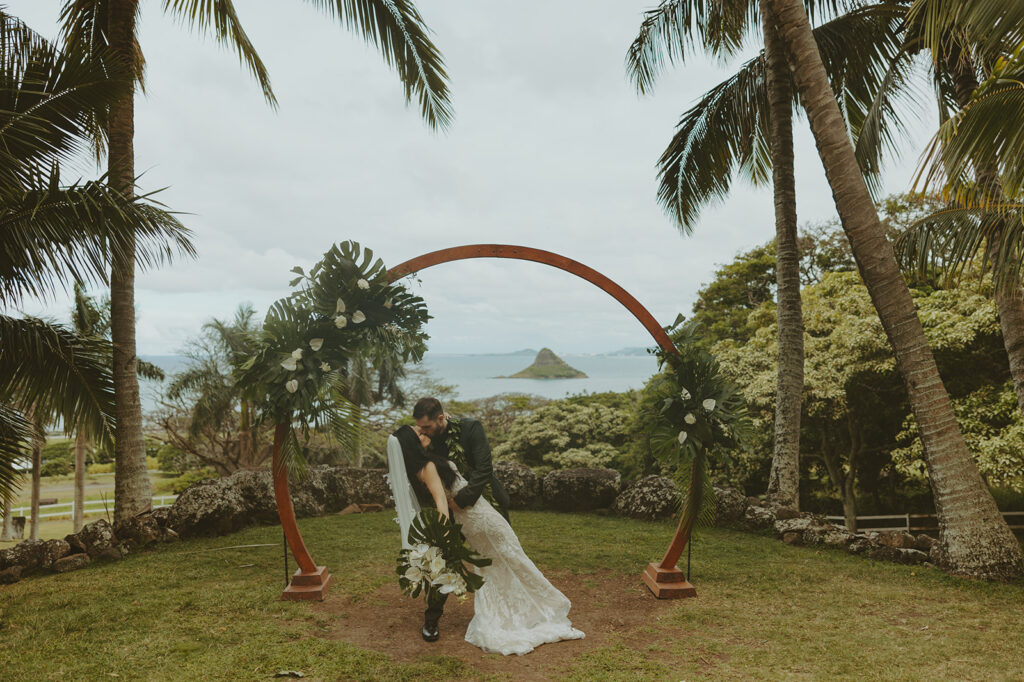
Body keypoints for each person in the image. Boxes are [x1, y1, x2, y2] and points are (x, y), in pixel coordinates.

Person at [386, 400, 584, 655]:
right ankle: (432, 620)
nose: (422, 431)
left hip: (481, 504)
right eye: (419, 429)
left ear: (440, 419)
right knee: (445, 562)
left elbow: (483, 470)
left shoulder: (470, 429)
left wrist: (460, 501)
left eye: (425, 427)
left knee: (507, 559)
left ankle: (522, 609)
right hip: (451, 512)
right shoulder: (426, 443)